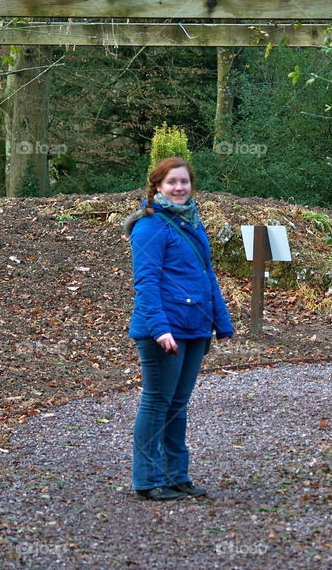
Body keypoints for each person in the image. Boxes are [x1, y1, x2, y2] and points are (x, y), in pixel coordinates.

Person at [122, 157, 234, 500]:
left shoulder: (193, 223)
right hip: (163, 330)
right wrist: (159, 329)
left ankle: (175, 475)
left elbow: (206, 275)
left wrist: (221, 321)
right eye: (171, 182)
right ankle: (147, 480)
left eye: (184, 181)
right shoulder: (150, 226)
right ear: (157, 186)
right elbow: (146, 283)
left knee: (177, 404)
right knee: (157, 403)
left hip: (194, 328)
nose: (179, 187)